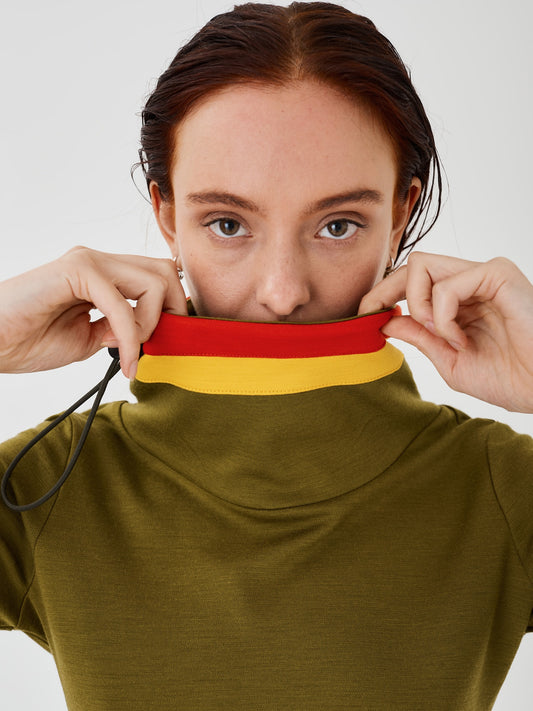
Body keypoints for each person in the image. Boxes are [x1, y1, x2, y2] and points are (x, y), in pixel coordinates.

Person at [1, 2, 532, 709]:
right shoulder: (45, 486)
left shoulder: (500, 489)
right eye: (227, 223)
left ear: (400, 213)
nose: (282, 291)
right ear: (165, 212)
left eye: (338, 225)